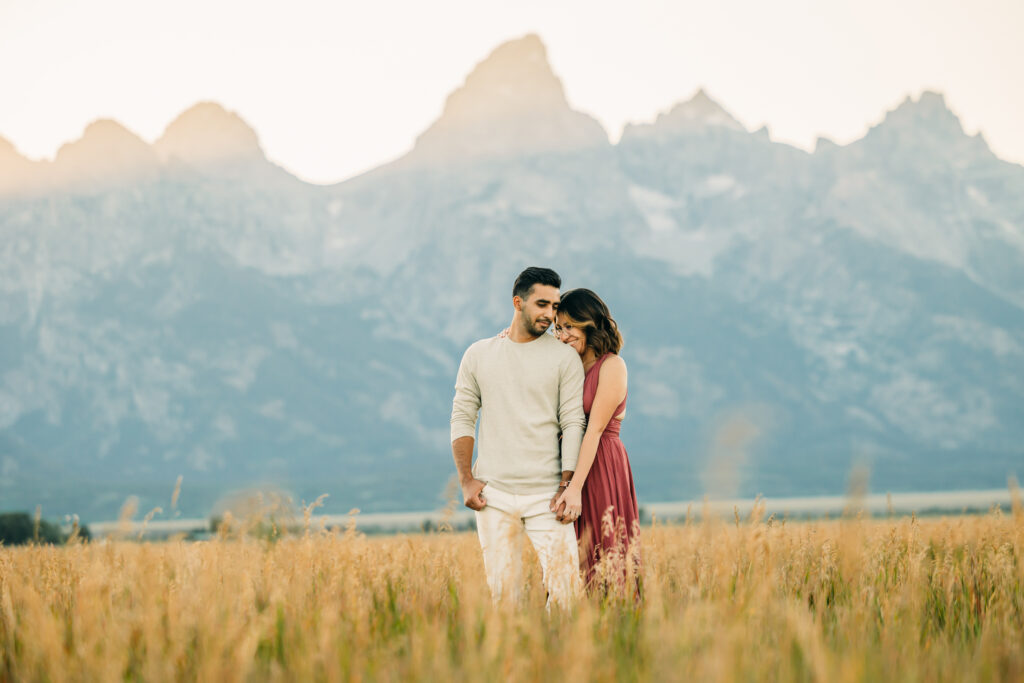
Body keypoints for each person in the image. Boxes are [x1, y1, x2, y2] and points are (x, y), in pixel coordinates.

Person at [450, 267, 586, 608]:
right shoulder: (478, 354)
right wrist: (466, 480)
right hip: (493, 495)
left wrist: (567, 485)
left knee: (568, 593)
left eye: (554, 306)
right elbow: (463, 417)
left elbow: (572, 422)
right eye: (542, 304)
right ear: (517, 302)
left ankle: (564, 659)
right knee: (503, 597)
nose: (550, 314)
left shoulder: (564, 357)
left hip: (548, 497)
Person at [551, 288, 640, 596]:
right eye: (557, 328)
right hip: (569, 465)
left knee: (604, 550)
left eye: (568, 327)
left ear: (589, 323)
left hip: (600, 463)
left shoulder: (612, 365)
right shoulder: (570, 366)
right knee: (567, 557)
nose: (561, 336)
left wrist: (575, 487)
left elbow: (595, 430)